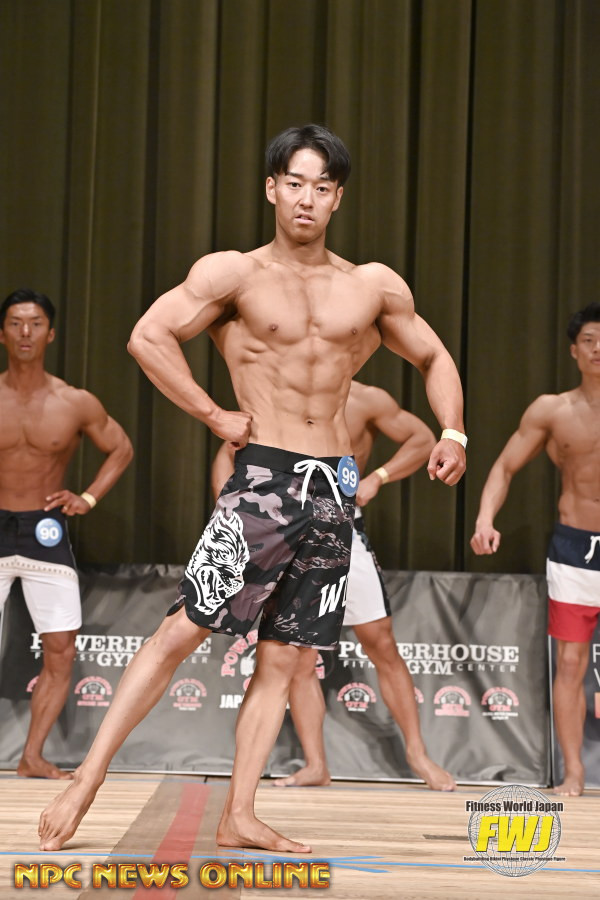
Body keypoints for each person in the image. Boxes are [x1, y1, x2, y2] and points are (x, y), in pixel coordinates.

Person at [39, 123, 466, 853]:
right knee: (182, 630)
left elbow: (433, 355)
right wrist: (213, 415)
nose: (306, 198)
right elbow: (148, 336)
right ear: (272, 188)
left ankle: (240, 813)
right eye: (294, 183)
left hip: (333, 492)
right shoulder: (233, 274)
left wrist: (453, 431)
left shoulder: (371, 285)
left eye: (322, 187)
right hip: (265, 477)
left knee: (286, 656)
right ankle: (87, 779)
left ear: (337, 199)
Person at [211, 380, 456, 791]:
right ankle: (315, 765)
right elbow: (226, 452)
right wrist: (228, 512)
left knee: (381, 642)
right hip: (283, 525)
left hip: (341, 526)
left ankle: (418, 754)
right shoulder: (280, 391)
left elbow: (421, 439)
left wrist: (378, 477)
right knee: (297, 653)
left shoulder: (368, 399)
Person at [0, 288, 133, 780]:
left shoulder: (73, 401)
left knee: (61, 649)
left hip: (45, 530)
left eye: (35, 323)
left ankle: (32, 756)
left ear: (50, 334)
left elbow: (120, 448)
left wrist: (89, 498)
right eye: (15, 323)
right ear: (2, 334)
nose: (25, 332)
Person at [470, 302, 600, 797]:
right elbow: (504, 467)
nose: (598, 348)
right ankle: (574, 773)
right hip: (574, 548)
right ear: (574, 351)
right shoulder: (551, 410)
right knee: (569, 663)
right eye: (589, 340)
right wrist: (485, 519)